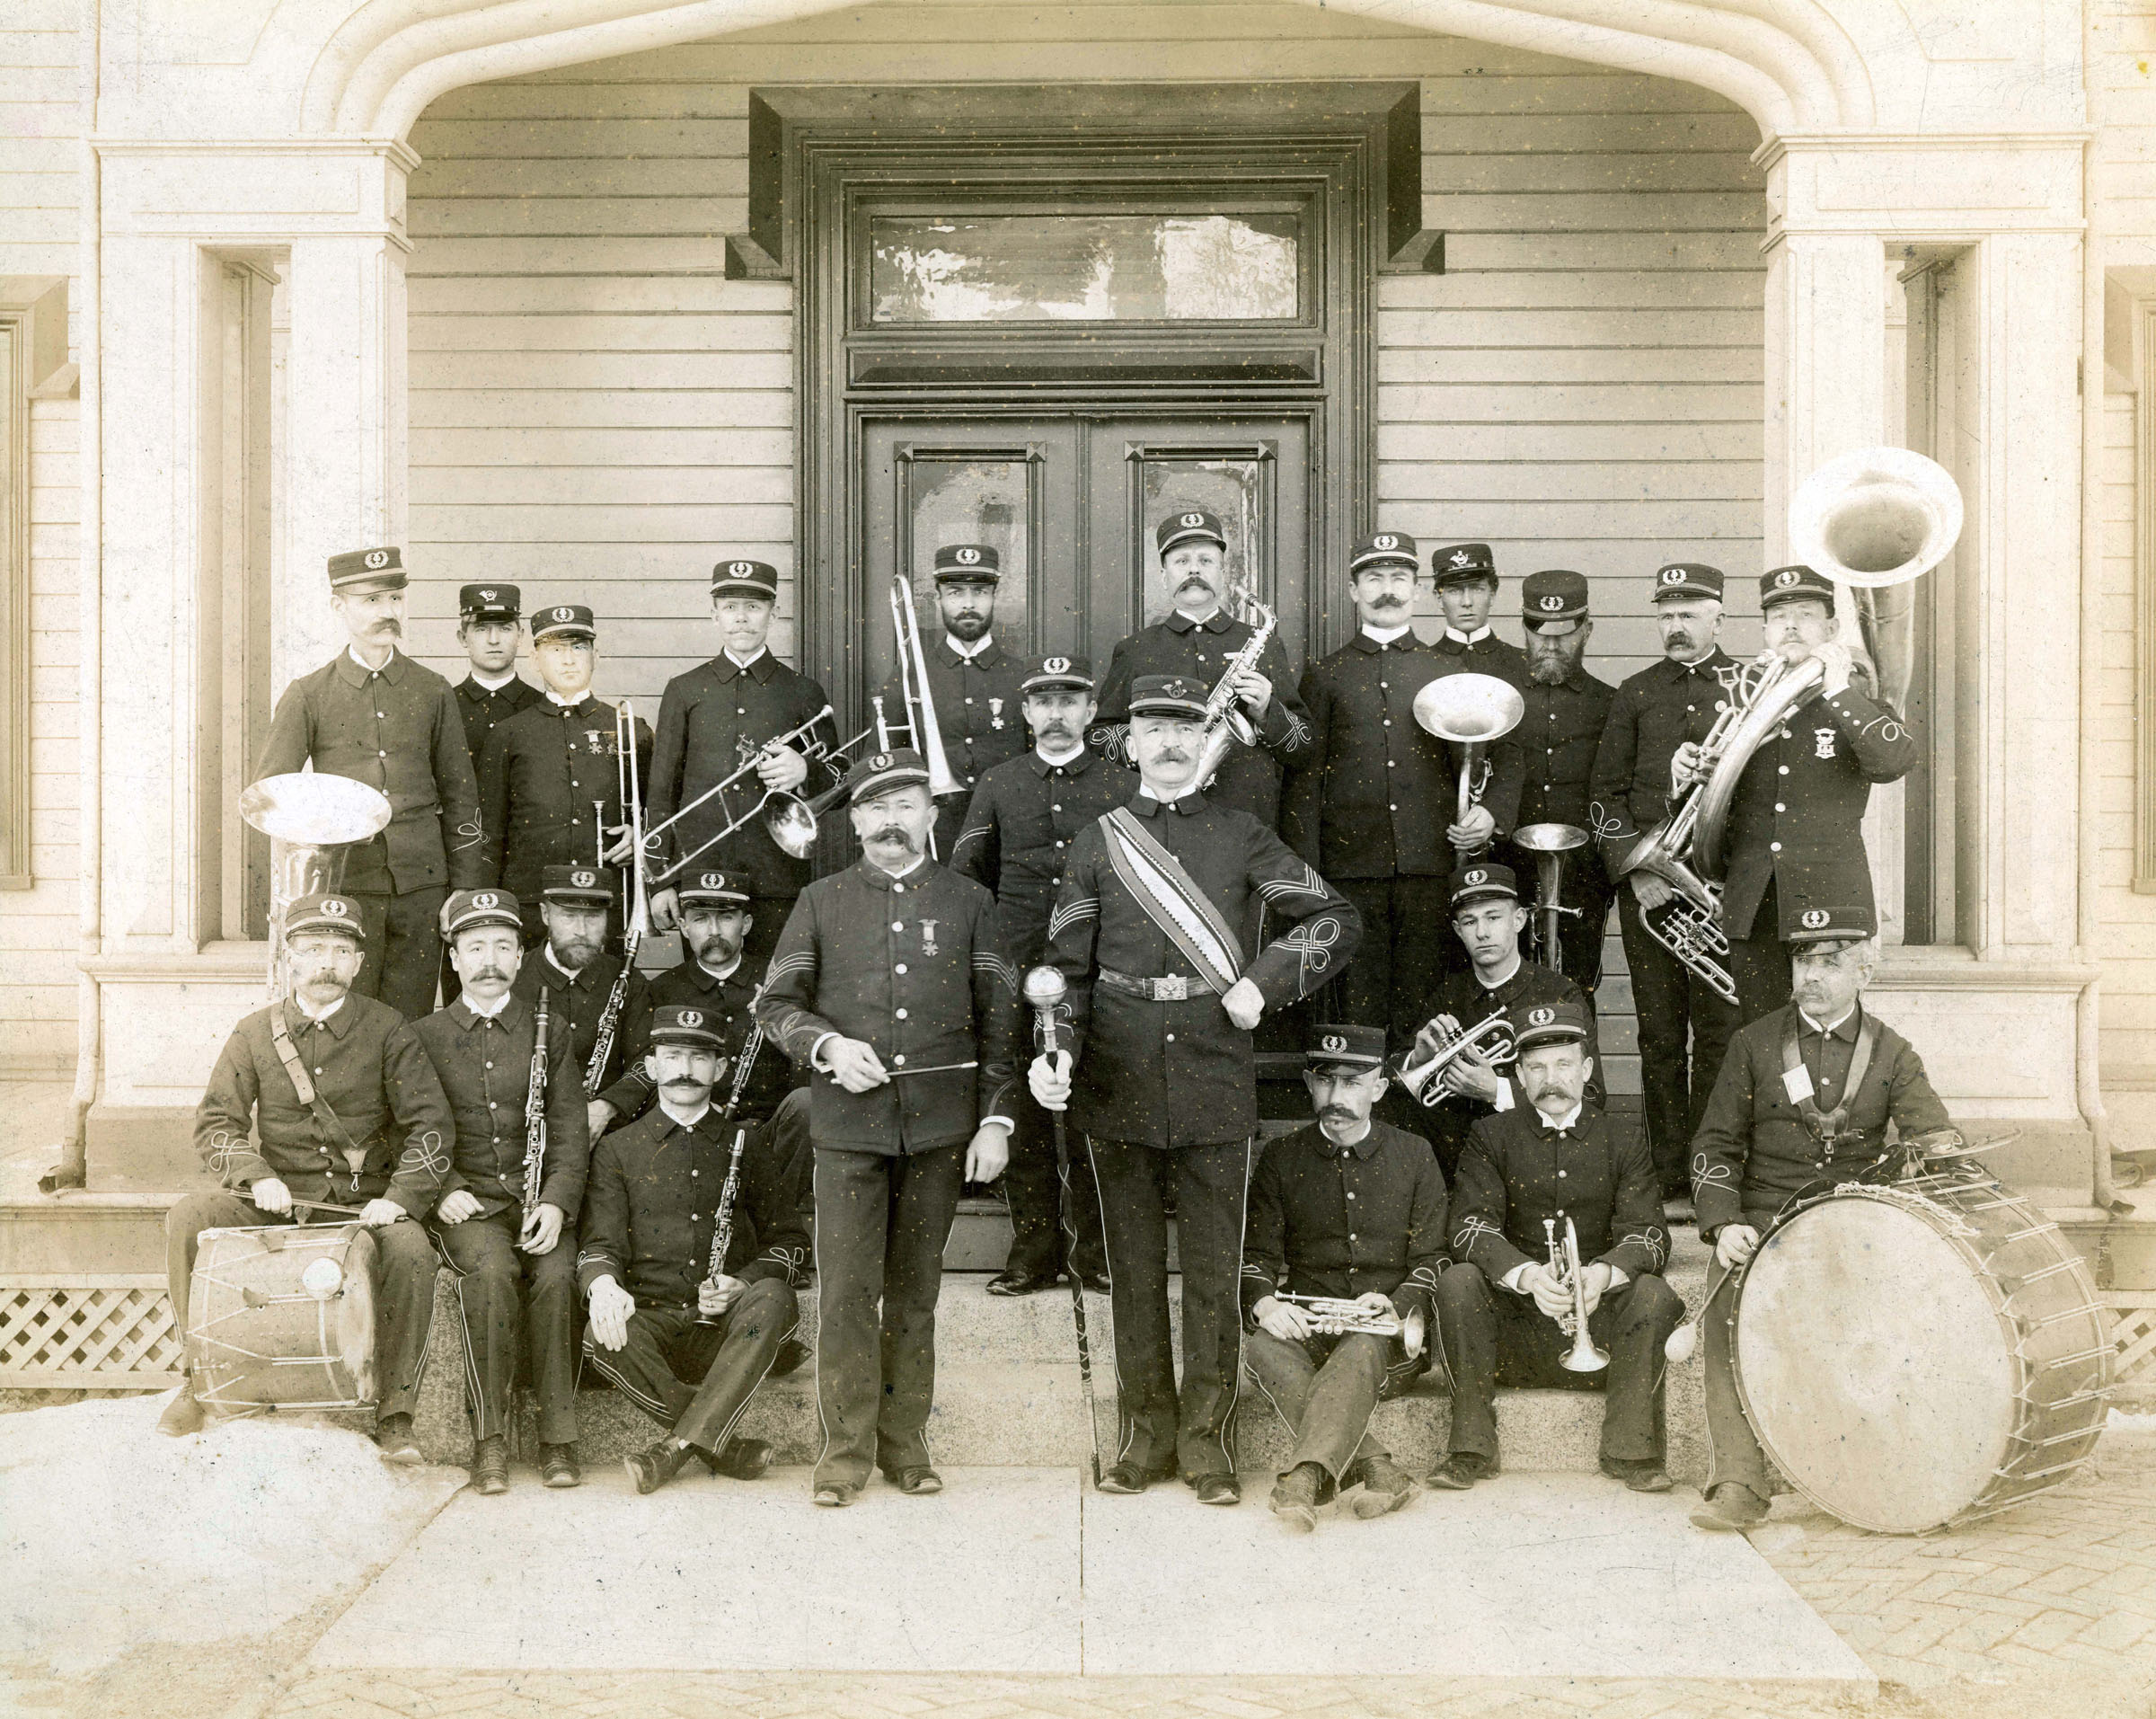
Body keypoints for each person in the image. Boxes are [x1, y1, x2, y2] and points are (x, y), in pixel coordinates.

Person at [1030, 674, 1360, 1505]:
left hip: (1216, 1066)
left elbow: (1334, 918)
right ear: (1129, 740)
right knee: (1134, 1270)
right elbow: (1064, 974)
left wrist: (1265, 980)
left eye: (1186, 725)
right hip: (1118, 1069)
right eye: (1154, 725)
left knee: (1213, 1270)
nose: (1171, 740)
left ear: (1204, 738)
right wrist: (1056, 1052)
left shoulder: (1244, 835)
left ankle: (1207, 1443)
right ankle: (1145, 1438)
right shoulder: (1097, 841)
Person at [757, 749, 1021, 1507]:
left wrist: (996, 1119)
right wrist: (829, 1046)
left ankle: (906, 1446)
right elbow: (774, 1005)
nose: (891, 822)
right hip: (847, 1131)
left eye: (906, 804)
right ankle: (843, 1456)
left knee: (915, 1294)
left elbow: (1001, 1027)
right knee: (845, 1294)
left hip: (939, 1132)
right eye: (875, 808)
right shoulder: (820, 900)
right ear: (856, 821)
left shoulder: (970, 902)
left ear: (932, 816)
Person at [1686, 906, 1956, 1531]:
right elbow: (1714, 1146)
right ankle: (1739, 1483)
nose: (1811, 975)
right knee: (1724, 1302)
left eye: (1830, 962)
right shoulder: (1753, 1043)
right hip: (1765, 1226)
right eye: (1804, 959)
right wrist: (1724, 1224)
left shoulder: (1892, 1053)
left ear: (1864, 969)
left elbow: (1937, 1138)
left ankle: (1887, 1474)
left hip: (1856, 1229)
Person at [159, 894, 452, 1457]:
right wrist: (253, 1175)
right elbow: (216, 1122)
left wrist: (400, 1197)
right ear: (289, 957)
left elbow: (431, 1127)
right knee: (189, 1217)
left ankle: (395, 1413)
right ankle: (196, 1380)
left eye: (342, 950)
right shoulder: (252, 1032)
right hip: (276, 1199)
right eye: (314, 948)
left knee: (413, 1251)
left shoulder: (389, 1030)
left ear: (359, 964)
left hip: (364, 1206)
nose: (328, 962)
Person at [1284, 531, 1524, 1063]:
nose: (1386, 590)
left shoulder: (1447, 670)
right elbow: (1305, 779)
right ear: (1354, 590)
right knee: (1357, 1009)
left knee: (1425, 1008)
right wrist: (1310, 878)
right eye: (1374, 579)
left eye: (1398, 579)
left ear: (1417, 591)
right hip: (1351, 873)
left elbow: (1506, 755)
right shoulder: (1327, 674)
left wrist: (1492, 813)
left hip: (1432, 867)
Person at [1434, 999, 1682, 1493]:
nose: (1552, 1078)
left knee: (1652, 1293)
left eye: (1564, 1064)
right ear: (1520, 1077)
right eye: (1537, 1067)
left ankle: (1630, 1451)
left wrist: (1602, 1275)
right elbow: (1468, 1227)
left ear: (1587, 1069)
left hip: (1601, 1338)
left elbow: (1650, 1234)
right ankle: (1470, 1448)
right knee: (1457, 1281)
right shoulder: (1489, 1135)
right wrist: (1525, 1276)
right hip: (1515, 1336)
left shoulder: (1623, 1137)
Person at [580, 1004, 813, 1495]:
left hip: (728, 1330)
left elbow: (791, 1242)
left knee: (773, 1296)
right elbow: (599, 1242)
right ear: (652, 1067)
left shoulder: (748, 1143)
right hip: (655, 1319)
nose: (685, 1069)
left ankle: (674, 1449)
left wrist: (741, 1282)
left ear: (722, 1069)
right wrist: (602, 1285)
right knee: (602, 1332)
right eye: (673, 1055)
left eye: (700, 1058)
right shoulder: (617, 1149)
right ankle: (717, 1443)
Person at [1672, 566, 1918, 1026]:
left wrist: (1839, 687)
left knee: (1828, 1035)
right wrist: (1684, 775)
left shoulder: (1854, 699)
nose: (1789, 625)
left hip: (1831, 899)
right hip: (1754, 901)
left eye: (1804, 615)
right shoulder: (1738, 700)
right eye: (1778, 615)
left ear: (1831, 629)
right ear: (1765, 629)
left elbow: (1894, 761)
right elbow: (1702, 812)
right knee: (1762, 1036)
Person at [949, 655, 1119, 1296]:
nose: (1055, 713)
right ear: (1025, 712)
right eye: (1042, 701)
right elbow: (968, 874)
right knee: (1020, 1103)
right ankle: (1033, 1250)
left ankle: (1094, 1252)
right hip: (1015, 968)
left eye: (1068, 700)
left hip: (1096, 968)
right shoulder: (999, 781)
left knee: (1092, 1104)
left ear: (1089, 710)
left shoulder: (1119, 785)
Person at [253, 546, 484, 1018]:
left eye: (395, 600)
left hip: (423, 887)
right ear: (339, 606)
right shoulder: (309, 694)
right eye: (372, 601)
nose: (388, 612)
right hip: (345, 888)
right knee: (350, 1016)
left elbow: (462, 795)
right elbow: (272, 796)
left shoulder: (432, 689)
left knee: (411, 1017)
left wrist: (461, 887)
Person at [411, 889, 588, 1494]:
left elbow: (569, 1129)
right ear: (454, 957)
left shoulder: (552, 1030)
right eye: (476, 947)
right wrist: (442, 1189)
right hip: (469, 1207)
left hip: (537, 1203)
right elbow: (407, 1128)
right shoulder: (424, 1035)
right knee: (487, 1276)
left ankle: (557, 1438)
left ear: (520, 956)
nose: (490, 959)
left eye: (503, 947)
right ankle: (489, 1439)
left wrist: (558, 1202)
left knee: (559, 1274)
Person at [1242, 1023, 1446, 1531]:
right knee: (1263, 1348)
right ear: (1310, 1083)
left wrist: (1398, 1302)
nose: (1338, 1096)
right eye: (1327, 1080)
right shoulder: (1281, 1158)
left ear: (1380, 1087)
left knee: (1360, 1348)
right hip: (1313, 1331)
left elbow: (1434, 1256)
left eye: (1354, 1083)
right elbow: (1256, 1257)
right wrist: (1267, 1305)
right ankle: (1379, 1469)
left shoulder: (1415, 1154)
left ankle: (1305, 1476)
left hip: (1385, 1340)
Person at [1587, 563, 1741, 1203]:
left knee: (1717, 1034)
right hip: (1650, 894)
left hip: (1720, 893)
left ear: (1718, 616)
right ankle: (1669, 1173)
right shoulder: (1636, 692)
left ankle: (1712, 1171)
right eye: (1666, 614)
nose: (1675, 626)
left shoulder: (1746, 689)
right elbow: (1604, 796)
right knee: (1657, 1036)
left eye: (1689, 613)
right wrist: (1639, 868)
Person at [645, 558, 843, 980]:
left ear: (773, 612)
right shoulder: (684, 690)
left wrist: (805, 769)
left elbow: (841, 779)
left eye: (754, 607)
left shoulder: (804, 692)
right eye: (730, 605)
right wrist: (660, 881)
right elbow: (661, 794)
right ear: (714, 612)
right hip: (699, 881)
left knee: (777, 993)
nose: (741, 617)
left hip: (776, 880)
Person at [1090, 510, 1312, 826]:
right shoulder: (1135, 650)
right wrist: (1157, 738)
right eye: (1181, 561)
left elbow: (1304, 747)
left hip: (1246, 821)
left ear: (1223, 572)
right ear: (1164, 575)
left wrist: (1267, 711)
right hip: (1161, 820)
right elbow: (1096, 738)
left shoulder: (1264, 644)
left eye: (1206, 561)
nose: (1194, 569)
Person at [1392, 863, 1601, 1183]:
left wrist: (1497, 1091)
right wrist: (1418, 1058)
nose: (1483, 932)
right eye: (1470, 921)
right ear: (1457, 930)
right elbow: (1397, 1085)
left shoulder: (1559, 992)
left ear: (1518, 920)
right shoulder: (1447, 993)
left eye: (1493, 917)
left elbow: (1592, 1094)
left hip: (1536, 1161)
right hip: (1456, 1163)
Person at [474, 604, 652, 947]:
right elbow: (489, 829)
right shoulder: (509, 734)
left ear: (595, 656)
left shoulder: (631, 729)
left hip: (606, 897)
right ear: (535, 660)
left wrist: (640, 837)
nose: (569, 660)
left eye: (579, 647)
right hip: (530, 902)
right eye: (556, 649)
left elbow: (658, 810)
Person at [592, 869, 802, 1139]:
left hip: (773, 1129)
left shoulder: (780, 981)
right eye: (701, 919)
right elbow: (647, 1070)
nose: (714, 931)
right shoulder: (660, 990)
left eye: (726, 918)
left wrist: (783, 1020)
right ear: (683, 926)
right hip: (695, 1130)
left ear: (746, 924)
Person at [1499, 571, 1616, 995]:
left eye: (1564, 634)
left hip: (1583, 875)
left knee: (1578, 988)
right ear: (1524, 628)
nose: (1550, 644)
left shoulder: (1610, 702)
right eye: (1539, 632)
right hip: (1510, 869)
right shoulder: (1501, 698)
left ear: (1587, 629)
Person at [879, 543, 1031, 860]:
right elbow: (883, 764)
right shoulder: (908, 675)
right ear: (938, 599)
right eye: (955, 593)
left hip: (1007, 839)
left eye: (980, 593)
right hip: (933, 840)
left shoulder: (1021, 677)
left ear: (994, 597)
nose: (968, 604)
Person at [510, 864, 651, 1120]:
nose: (582, 931)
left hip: (607, 1130)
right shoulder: (513, 978)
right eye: (569, 916)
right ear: (545, 915)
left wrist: (608, 1106)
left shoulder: (630, 980)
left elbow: (647, 1057)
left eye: (593, 916)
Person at [451, 583, 542, 760]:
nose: (494, 640)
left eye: (505, 629)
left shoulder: (540, 705)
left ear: (520, 636)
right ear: (463, 638)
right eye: (481, 629)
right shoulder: (445, 706)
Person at [1427, 542, 1530, 689]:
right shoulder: (1421, 663)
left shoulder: (1523, 663)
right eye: (1455, 591)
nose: (1467, 602)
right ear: (1439, 598)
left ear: (1492, 595)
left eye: (1477, 589)